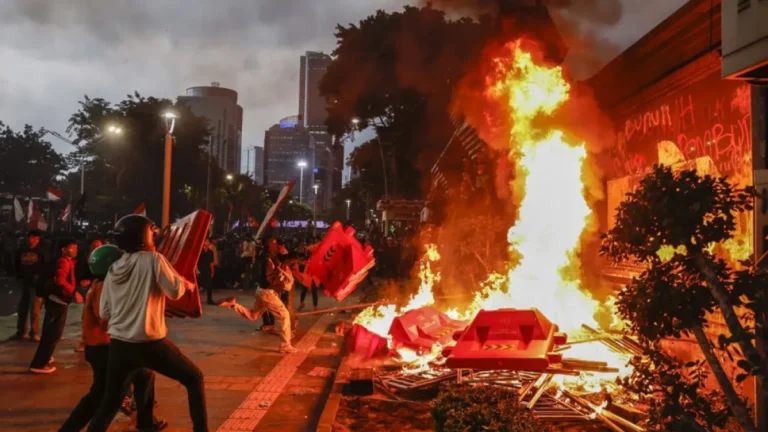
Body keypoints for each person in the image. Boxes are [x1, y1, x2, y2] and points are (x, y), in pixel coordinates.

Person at [86, 215, 207, 432]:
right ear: (146, 235)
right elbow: (175, 291)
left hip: (119, 346)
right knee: (194, 378)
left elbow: (105, 312)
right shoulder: (154, 260)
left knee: (111, 402)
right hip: (150, 344)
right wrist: (186, 284)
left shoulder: (113, 269)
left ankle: (144, 421)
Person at [59, 244, 167, 432]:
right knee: (103, 396)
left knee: (144, 376)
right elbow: (105, 317)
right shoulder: (103, 287)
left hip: (104, 346)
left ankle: (145, 422)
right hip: (104, 347)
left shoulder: (102, 283)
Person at [218, 237, 297, 354]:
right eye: (275, 244)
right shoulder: (267, 260)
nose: (278, 246)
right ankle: (285, 345)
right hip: (267, 292)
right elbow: (268, 279)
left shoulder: (267, 256)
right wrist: (280, 282)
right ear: (270, 246)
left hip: (261, 291)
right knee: (284, 315)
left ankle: (234, 305)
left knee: (253, 315)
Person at [29, 237, 82, 374]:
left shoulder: (67, 261)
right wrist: (74, 292)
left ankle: (46, 356)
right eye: (72, 248)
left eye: (76, 248)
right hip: (57, 301)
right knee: (52, 334)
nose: (75, 250)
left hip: (58, 300)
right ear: (63, 249)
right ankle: (39, 364)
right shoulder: (63, 262)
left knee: (52, 333)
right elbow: (60, 280)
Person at [10, 230, 46, 341]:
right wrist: (18, 277)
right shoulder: (21, 250)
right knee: (22, 308)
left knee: (34, 310)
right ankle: (21, 331)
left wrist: (39, 277)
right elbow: (16, 264)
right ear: (27, 238)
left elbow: (46, 266)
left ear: (38, 240)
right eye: (31, 238)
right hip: (24, 283)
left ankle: (34, 333)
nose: (33, 240)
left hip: (36, 285)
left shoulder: (42, 251)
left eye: (36, 238)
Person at [75, 239, 104, 353]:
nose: (96, 248)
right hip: (89, 290)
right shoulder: (85, 259)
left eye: (98, 246)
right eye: (94, 246)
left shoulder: (104, 259)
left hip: (100, 288)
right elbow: (80, 272)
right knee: (87, 316)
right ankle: (85, 341)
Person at [198, 238, 215, 306]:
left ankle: (209, 300)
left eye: (207, 241)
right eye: (205, 241)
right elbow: (196, 262)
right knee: (199, 286)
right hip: (200, 269)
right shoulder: (199, 251)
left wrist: (212, 271)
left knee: (209, 285)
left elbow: (211, 263)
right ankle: (197, 300)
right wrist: (196, 270)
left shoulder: (210, 252)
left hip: (207, 269)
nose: (206, 243)